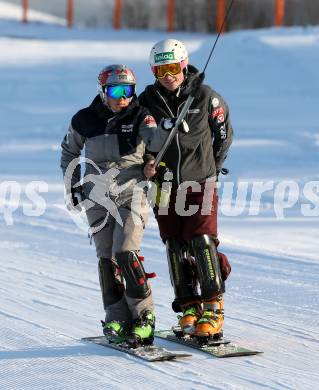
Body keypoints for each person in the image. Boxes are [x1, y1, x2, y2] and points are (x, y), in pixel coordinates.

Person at [60, 64, 168, 347]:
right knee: (106, 258)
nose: (123, 97)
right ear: (102, 91)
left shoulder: (141, 116)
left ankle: (144, 318)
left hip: (132, 192)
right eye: (116, 91)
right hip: (96, 195)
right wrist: (72, 184)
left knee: (125, 251)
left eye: (129, 91)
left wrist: (157, 149)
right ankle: (117, 317)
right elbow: (69, 150)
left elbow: (154, 141)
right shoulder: (84, 119)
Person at [139, 39, 233, 339]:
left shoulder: (205, 96)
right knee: (176, 245)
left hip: (199, 182)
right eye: (160, 69)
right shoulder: (147, 101)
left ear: (183, 64)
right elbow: (139, 142)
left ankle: (213, 306)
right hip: (163, 186)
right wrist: (147, 164)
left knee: (201, 240)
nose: (168, 75)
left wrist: (211, 167)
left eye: (172, 68)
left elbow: (223, 134)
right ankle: (189, 306)